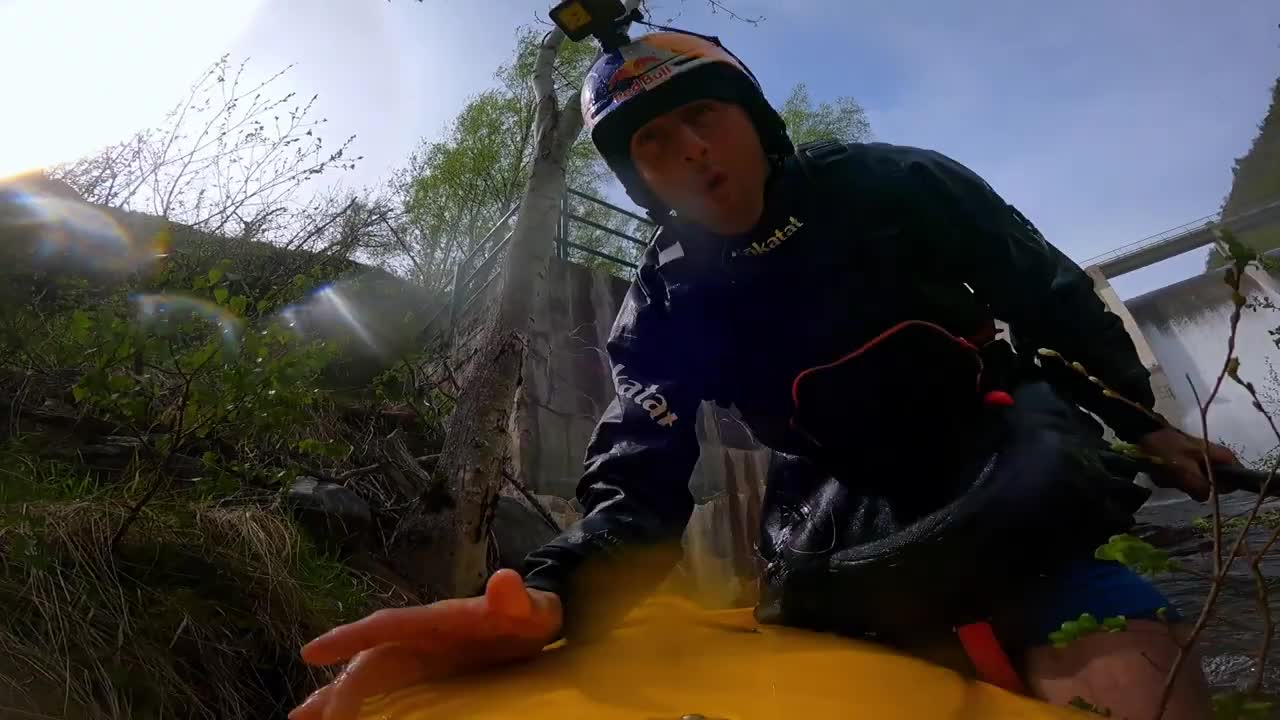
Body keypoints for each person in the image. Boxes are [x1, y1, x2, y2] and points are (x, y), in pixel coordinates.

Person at [290, 29, 1238, 720]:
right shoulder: (665, 301)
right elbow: (638, 485)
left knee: (1129, 688)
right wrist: (548, 594)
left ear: (755, 122)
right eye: (653, 144)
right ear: (640, 184)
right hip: (840, 541)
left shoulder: (894, 185)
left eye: (701, 115)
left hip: (1011, 486)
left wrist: (1144, 424)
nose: (689, 149)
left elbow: (1050, 298)